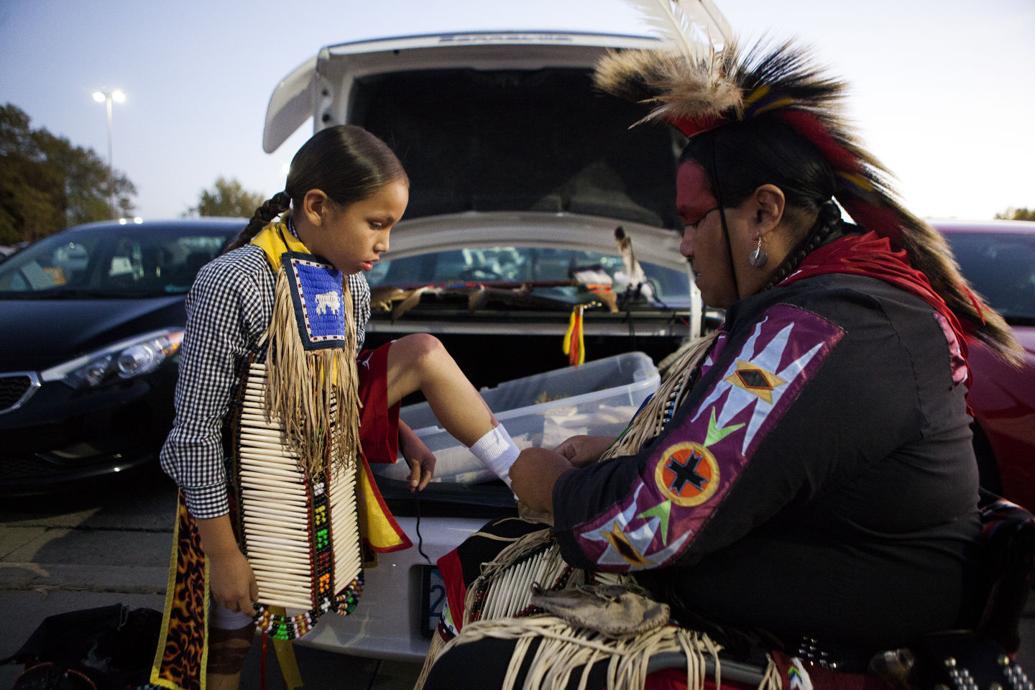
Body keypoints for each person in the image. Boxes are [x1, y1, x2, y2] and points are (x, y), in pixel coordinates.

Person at [419, 39, 1022, 690]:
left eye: (690, 221)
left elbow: (642, 525)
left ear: (762, 210)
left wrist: (548, 486)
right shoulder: (834, 304)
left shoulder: (822, 330)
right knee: (487, 558)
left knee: (477, 671)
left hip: (830, 649)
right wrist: (620, 460)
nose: (680, 245)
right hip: (794, 593)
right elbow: (748, 464)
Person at [150, 125, 522, 690]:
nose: (386, 244)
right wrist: (223, 553)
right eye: (377, 224)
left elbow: (341, 384)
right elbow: (193, 437)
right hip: (241, 492)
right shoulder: (232, 282)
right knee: (226, 634)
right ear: (319, 206)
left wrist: (397, 434)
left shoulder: (351, 285)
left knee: (425, 352)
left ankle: (522, 479)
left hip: (312, 465)